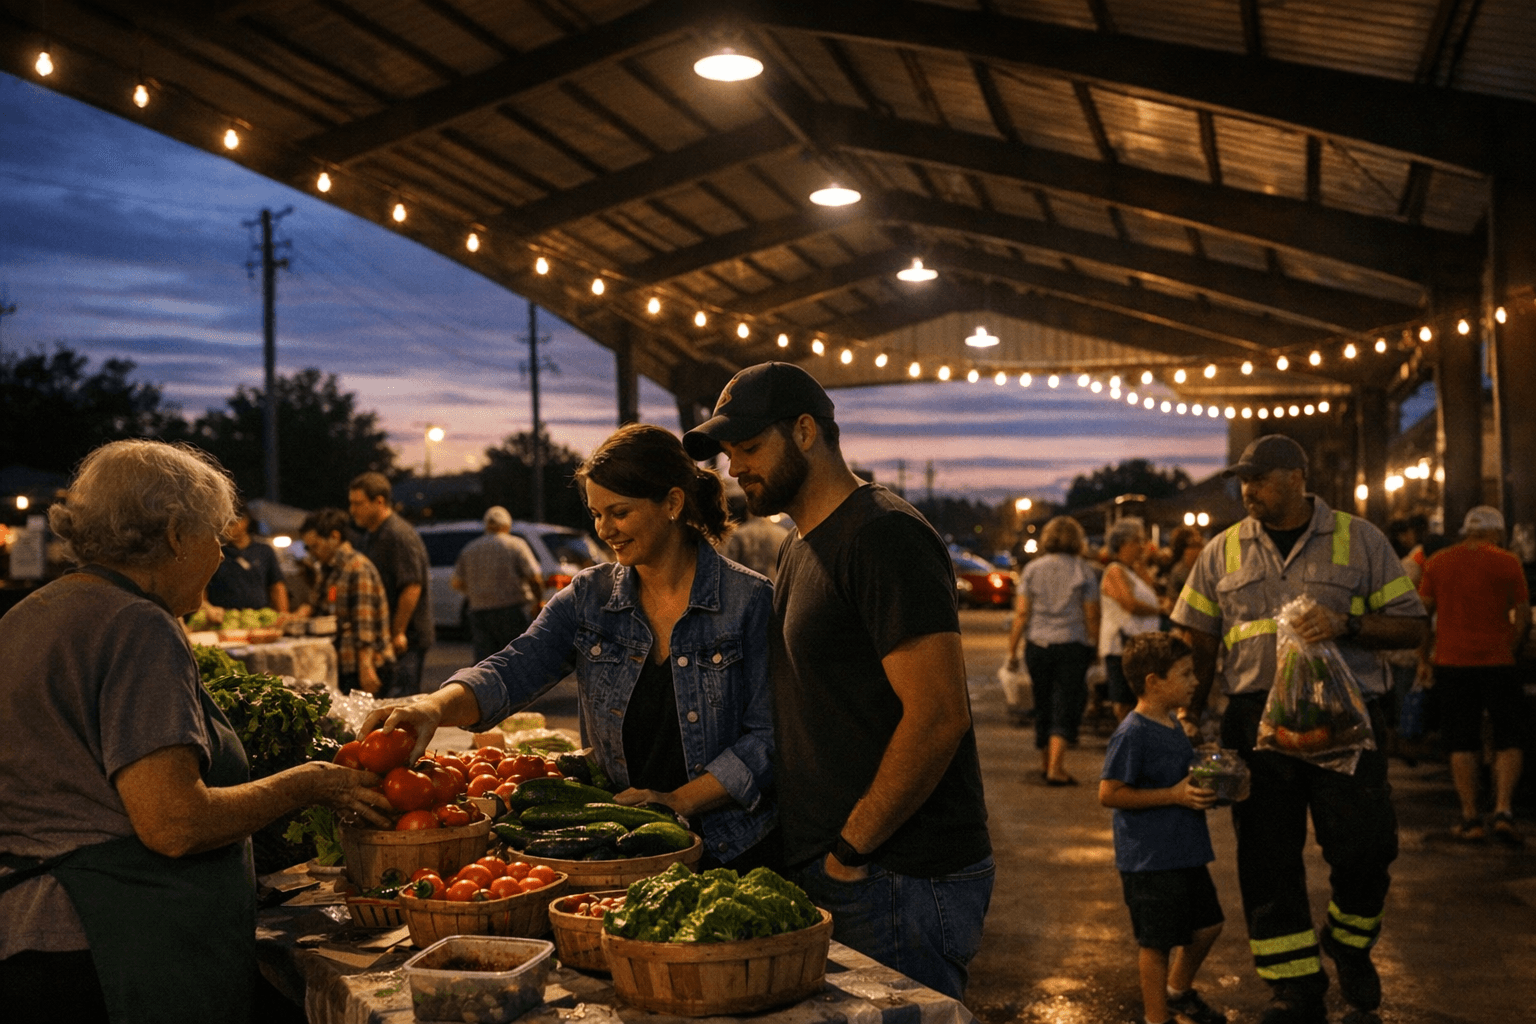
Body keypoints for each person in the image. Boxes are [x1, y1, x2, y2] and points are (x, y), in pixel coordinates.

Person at [0, 440, 390, 1024]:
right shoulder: (138, 626)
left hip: (30, 940)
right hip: (110, 951)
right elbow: (174, 823)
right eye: (215, 537)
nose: (221, 556)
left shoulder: (30, 614)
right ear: (178, 535)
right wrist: (310, 782)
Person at [682, 361, 993, 1001]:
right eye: (727, 454)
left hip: (897, 872)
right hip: (849, 867)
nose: (733, 469)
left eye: (747, 448)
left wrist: (850, 851)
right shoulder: (803, 543)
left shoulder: (883, 535)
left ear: (804, 431)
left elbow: (938, 715)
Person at [357, 425, 778, 870]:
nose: (604, 529)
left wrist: (676, 801)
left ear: (672, 503)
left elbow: (768, 738)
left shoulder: (748, 600)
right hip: (626, 844)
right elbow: (513, 668)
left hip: (732, 847)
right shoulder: (588, 598)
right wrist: (434, 707)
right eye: (596, 514)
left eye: (619, 512)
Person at [1170, 435, 1426, 1024]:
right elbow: (1200, 640)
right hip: (1253, 720)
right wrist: (1188, 713)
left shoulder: (1360, 540)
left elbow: (1410, 627)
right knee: (1266, 858)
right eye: (1243, 480)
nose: (1246, 491)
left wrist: (1346, 622)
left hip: (1344, 716)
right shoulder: (1223, 550)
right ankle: (1294, 985)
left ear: (1296, 477)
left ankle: (1350, 941)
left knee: (1367, 845)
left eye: (1258, 479)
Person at [1100, 632, 1232, 1024]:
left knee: (1208, 926)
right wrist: (1173, 796)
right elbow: (1110, 793)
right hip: (1150, 859)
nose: (1195, 681)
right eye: (1186, 674)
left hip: (1186, 850)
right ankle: (1157, 1018)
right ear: (1154, 682)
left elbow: (1181, 779)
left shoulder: (1174, 723)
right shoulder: (1132, 733)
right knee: (1155, 943)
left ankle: (1177, 991)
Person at [1417, 505, 1530, 845]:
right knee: (1509, 736)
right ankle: (1503, 811)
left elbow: (1423, 615)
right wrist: (1511, 649)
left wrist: (1425, 656)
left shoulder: (1437, 563)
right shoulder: (1509, 562)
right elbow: (1522, 615)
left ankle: (1470, 818)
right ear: (1496, 532)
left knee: (1460, 738)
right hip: (1498, 661)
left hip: (1452, 662)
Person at [1006, 514, 1100, 785]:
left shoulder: (1033, 570)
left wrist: (1012, 649)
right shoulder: (1084, 571)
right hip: (1072, 644)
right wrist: (1094, 645)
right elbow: (1091, 614)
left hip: (1038, 645)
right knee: (1066, 703)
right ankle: (1056, 769)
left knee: (1043, 702)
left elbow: (1022, 613)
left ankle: (1046, 763)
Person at [349, 472, 433, 697]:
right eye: (351, 503)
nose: (353, 510)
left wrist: (398, 632)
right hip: (388, 637)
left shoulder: (397, 534)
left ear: (379, 501)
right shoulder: (371, 535)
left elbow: (412, 585)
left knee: (402, 703)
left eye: (358, 503)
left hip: (407, 639)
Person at [298, 508, 394, 696]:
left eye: (315, 546)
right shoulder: (327, 569)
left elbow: (364, 624)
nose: (312, 553)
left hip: (365, 664)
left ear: (334, 537)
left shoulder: (357, 567)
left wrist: (366, 669)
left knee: (368, 723)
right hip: (344, 662)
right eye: (308, 548)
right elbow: (313, 605)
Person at [452, 506, 544, 663]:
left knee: (486, 662)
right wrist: (539, 601)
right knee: (515, 659)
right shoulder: (516, 544)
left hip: (479, 612)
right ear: (507, 526)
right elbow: (534, 578)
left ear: (486, 525)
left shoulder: (469, 549)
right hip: (513, 610)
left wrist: (475, 592)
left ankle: (489, 688)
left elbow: (457, 582)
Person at [1101, 517, 1166, 723]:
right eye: (1138, 540)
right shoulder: (1115, 570)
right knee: (1125, 703)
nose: (1143, 545)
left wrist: (1143, 568)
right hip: (1122, 647)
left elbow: (1154, 592)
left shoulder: (1132, 571)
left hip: (1138, 647)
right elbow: (1129, 603)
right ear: (1123, 543)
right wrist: (1160, 610)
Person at [201, 501, 288, 617]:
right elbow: (202, 588)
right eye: (222, 523)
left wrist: (283, 616)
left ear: (244, 522)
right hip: (224, 619)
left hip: (260, 619)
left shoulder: (264, 551)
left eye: (230, 523)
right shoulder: (216, 552)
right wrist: (206, 610)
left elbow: (277, 587)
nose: (225, 528)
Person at [720, 491, 789, 581]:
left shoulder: (740, 534)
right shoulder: (783, 534)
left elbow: (728, 565)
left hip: (747, 587)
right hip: (775, 587)